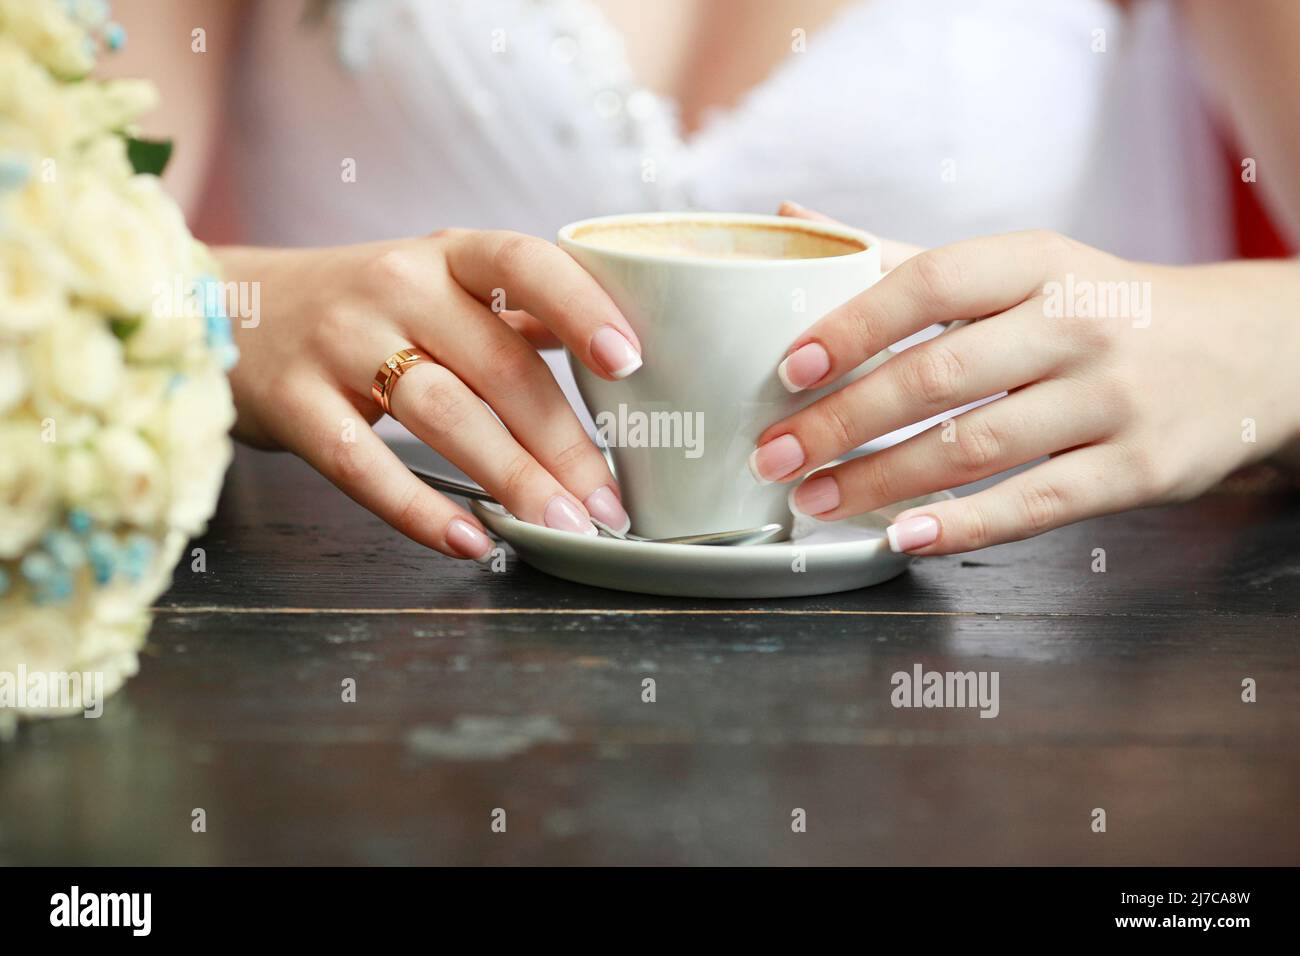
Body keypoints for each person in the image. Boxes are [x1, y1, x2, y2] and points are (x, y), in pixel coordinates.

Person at [103, 0, 1300, 561]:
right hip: (372, 639)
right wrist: (225, 301)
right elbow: (48, 222)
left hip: (1016, 682)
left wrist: (1259, 336)